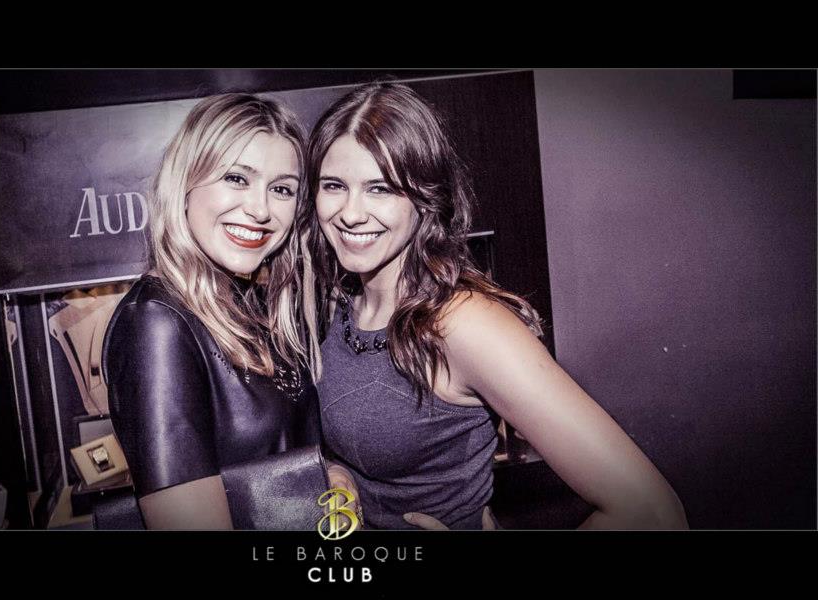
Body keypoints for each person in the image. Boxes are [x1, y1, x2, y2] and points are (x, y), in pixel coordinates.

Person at [302, 82, 688, 530]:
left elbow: (652, 512)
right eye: (334, 186)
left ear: (426, 198)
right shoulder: (340, 301)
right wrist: (338, 472)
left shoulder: (464, 324)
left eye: (380, 189)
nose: (351, 213)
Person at [102, 93, 355, 530]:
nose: (260, 209)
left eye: (281, 189)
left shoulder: (256, 304)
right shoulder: (157, 322)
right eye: (237, 178)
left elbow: (280, 454)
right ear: (185, 183)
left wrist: (330, 474)